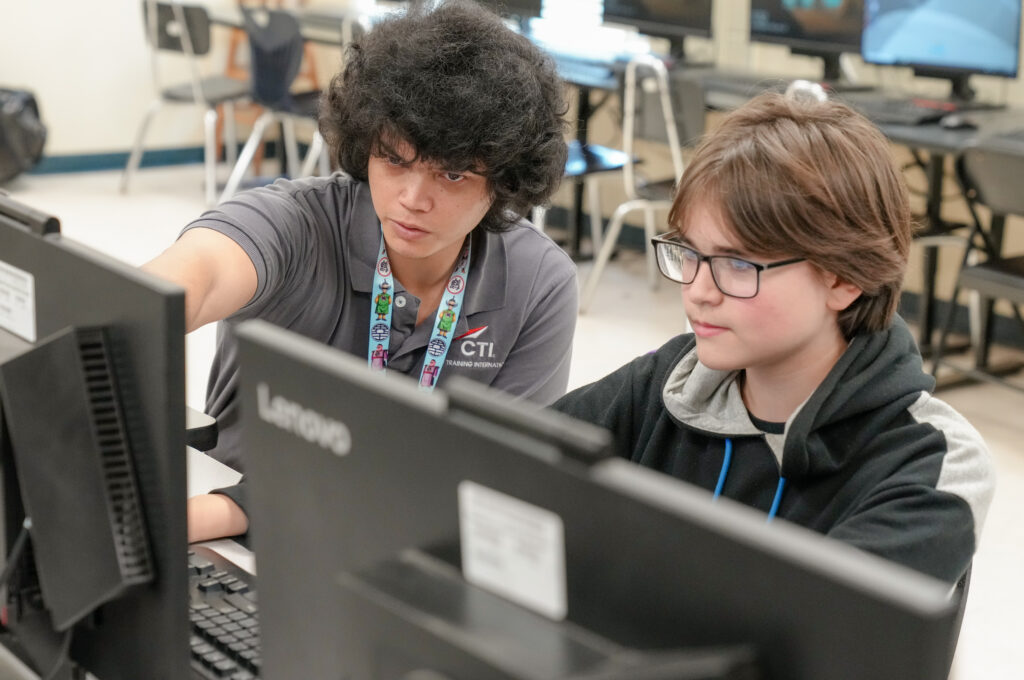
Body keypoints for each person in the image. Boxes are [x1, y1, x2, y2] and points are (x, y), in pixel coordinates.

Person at [144, 0, 576, 542]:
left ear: (504, 182)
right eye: (394, 159)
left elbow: (501, 485)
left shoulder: (539, 283)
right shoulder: (296, 224)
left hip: (403, 553)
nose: (413, 199)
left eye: (454, 174)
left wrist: (222, 512)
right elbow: (189, 279)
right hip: (240, 543)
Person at [551, 92, 994, 585]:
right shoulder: (673, 380)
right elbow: (502, 459)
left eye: (738, 265)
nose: (697, 292)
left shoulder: (931, 458)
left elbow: (814, 636)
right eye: (690, 253)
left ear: (844, 279)